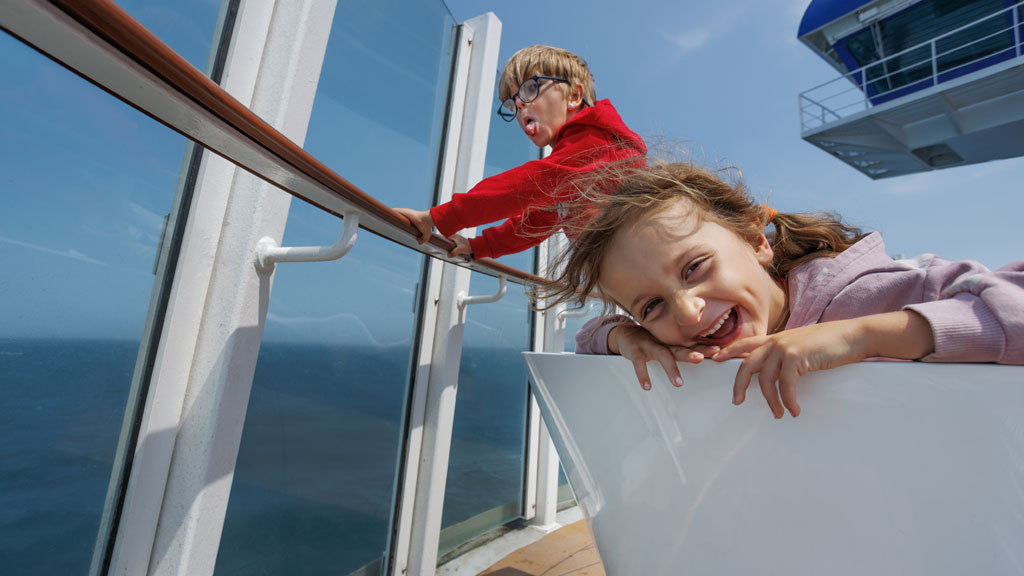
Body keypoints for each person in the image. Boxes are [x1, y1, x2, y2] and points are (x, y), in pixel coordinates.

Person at [542, 161, 1024, 418]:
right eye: (652, 305)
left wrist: (858, 336)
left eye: (695, 267)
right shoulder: (681, 337)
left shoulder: (872, 292)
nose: (687, 312)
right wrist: (625, 336)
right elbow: (589, 336)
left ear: (756, 241)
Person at [395, 45, 646, 260]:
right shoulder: (570, 173)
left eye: (530, 89)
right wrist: (479, 246)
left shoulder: (596, 143)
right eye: (512, 103)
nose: (519, 104)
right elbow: (536, 222)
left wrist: (436, 218)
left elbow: (522, 186)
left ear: (574, 96)